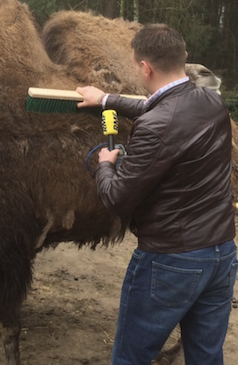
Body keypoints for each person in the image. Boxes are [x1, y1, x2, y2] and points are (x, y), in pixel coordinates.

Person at [76, 24, 237, 365]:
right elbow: (162, 107)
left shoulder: (156, 126)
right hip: (222, 254)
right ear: (184, 57)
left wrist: (105, 165)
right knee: (207, 356)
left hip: (171, 261)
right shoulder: (212, 101)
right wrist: (105, 100)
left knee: (131, 356)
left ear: (145, 68)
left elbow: (118, 199)